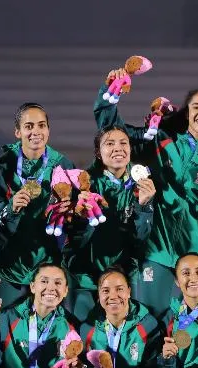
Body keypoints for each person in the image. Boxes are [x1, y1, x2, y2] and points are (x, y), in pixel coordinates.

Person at [94, 75, 198, 320]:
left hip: (197, 252)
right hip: (158, 249)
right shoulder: (161, 141)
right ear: (187, 113)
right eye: (196, 107)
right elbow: (113, 130)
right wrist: (110, 90)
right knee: (151, 320)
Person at [0, 103, 75, 309]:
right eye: (29, 126)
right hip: (7, 264)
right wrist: (11, 207)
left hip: (47, 264)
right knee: (2, 331)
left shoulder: (63, 164)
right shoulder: (3, 165)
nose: (36, 131)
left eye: (41, 125)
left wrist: (69, 212)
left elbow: (73, 219)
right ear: (18, 132)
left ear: (48, 130)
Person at [63, 125, 156, 322]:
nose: (118, 148)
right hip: (84, 275)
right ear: (98, 152)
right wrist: (86, 217)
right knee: (85, 334)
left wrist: (144, 207)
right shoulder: (82, 184)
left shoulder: (143, 184)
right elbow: (74, 240)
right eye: (109, 143)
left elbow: (141, 240)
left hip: (124, 273)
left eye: (124, 143)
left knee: (124, 334)